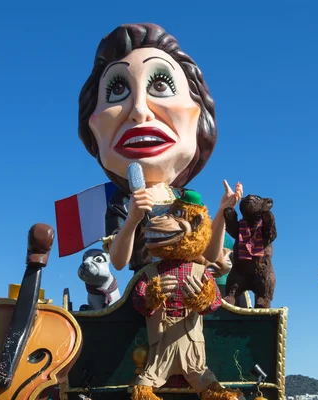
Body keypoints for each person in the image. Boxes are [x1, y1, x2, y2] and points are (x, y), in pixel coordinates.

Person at [78, 23, 242, 273]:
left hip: (191, 287)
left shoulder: (188, 199)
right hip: (146, 289)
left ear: (198, 112)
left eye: (160, 85)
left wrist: (222, 210)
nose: (140, 111)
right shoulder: (121, 203)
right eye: (118, 90)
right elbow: (120, 262)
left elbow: (210, 253)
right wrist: (132, 218)